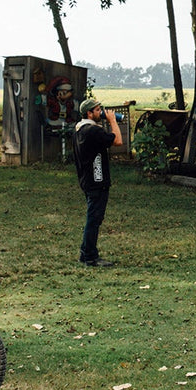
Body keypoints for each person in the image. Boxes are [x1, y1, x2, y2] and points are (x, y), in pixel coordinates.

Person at [72, 96, 122, 266]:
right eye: (98, 110)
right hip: (96, 180)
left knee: (93, 217)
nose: (101, 112)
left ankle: (85, 252)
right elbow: (118, 140)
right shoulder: (92, 131)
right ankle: (90, 256)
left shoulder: (80, 129)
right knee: (94, 218)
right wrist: (113, 121)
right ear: (89, 113)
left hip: (87, 179)